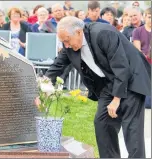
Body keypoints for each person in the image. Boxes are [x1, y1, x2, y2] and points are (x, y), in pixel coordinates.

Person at [36, 16, 151, 158]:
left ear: (78, 32)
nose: (66, 45)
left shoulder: (103, 34)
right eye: (63, 42)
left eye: (67, 40)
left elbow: (121, 67)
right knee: (102, 123)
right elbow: (57, 67)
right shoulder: (69, 46)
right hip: (108, 83)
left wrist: (116, 100)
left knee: (132, 130)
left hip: (132, 79)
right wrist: (41, 91)